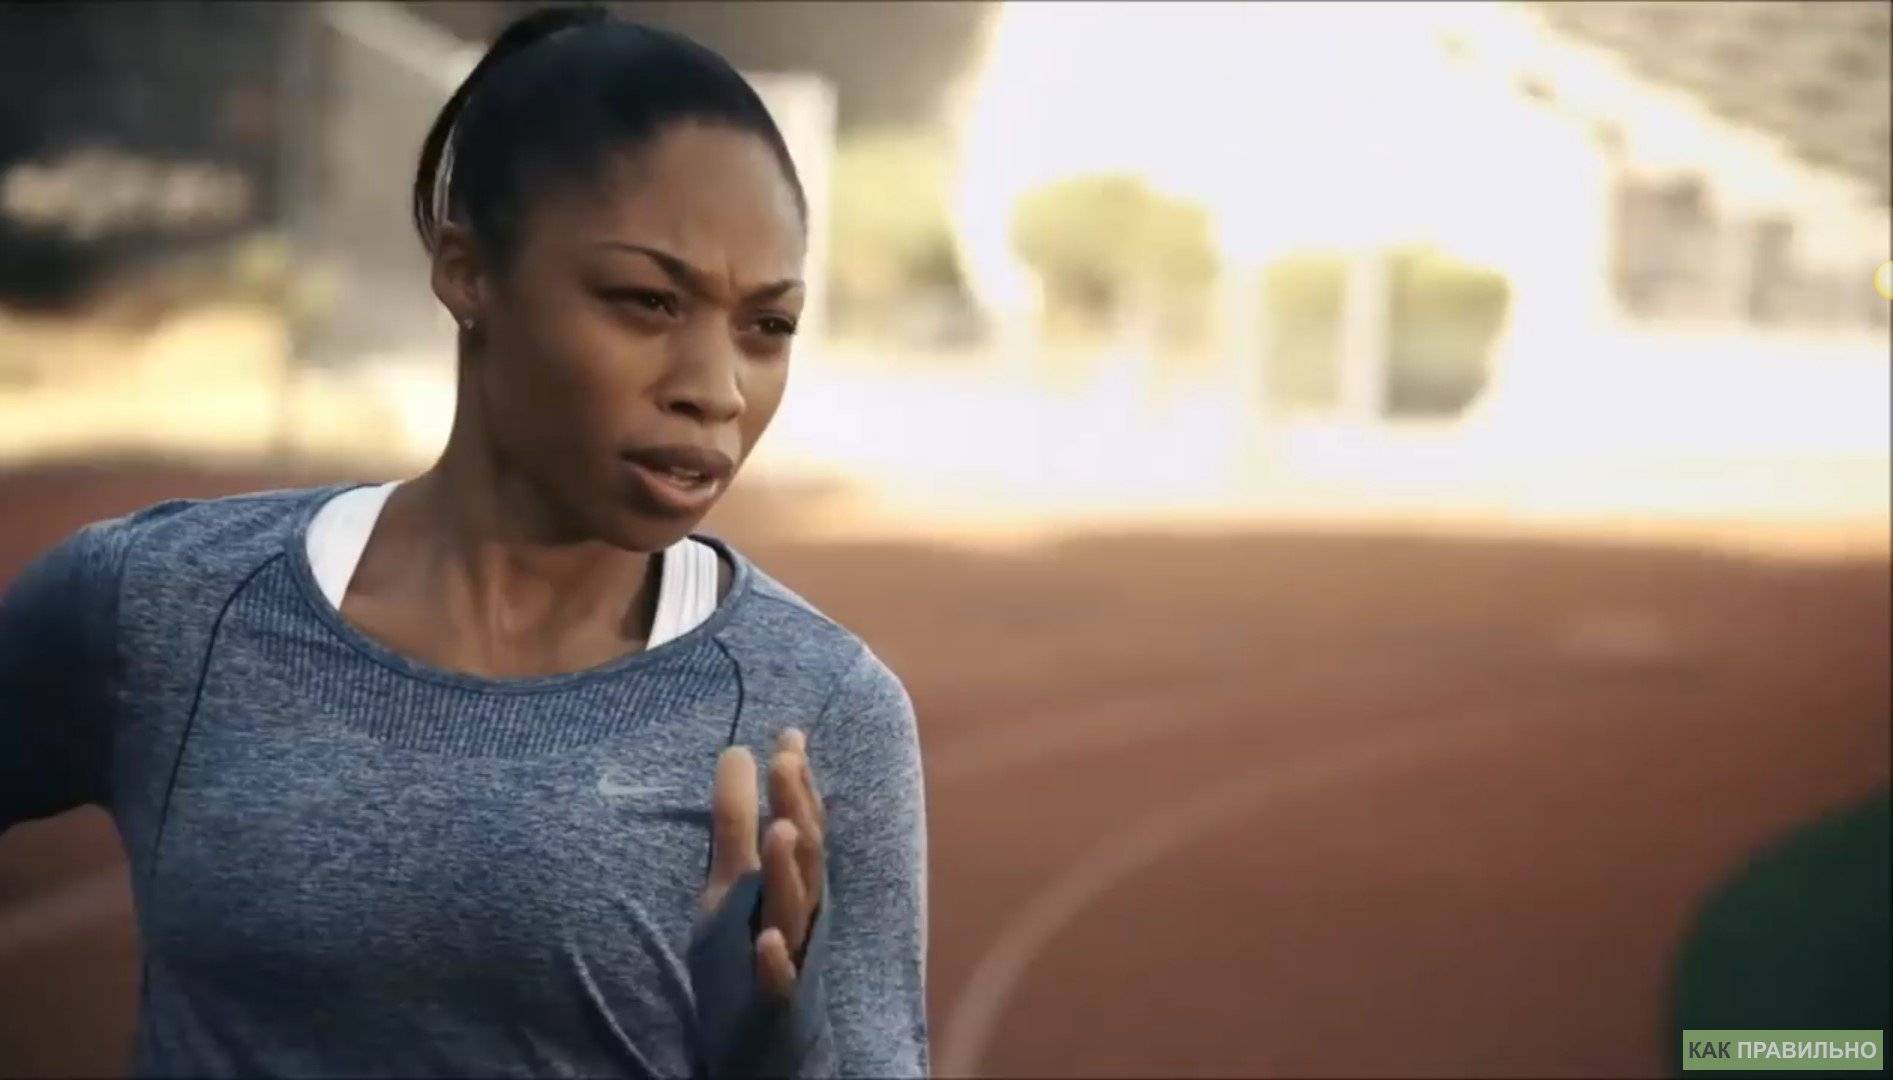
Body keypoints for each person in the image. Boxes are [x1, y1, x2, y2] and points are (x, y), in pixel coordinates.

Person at [0, 7, 928, 1078]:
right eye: (646, 300)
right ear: (467, 269)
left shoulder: (820, 712)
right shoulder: (164, 604)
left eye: (767, 326)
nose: (716, 390)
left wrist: (775, 1052)